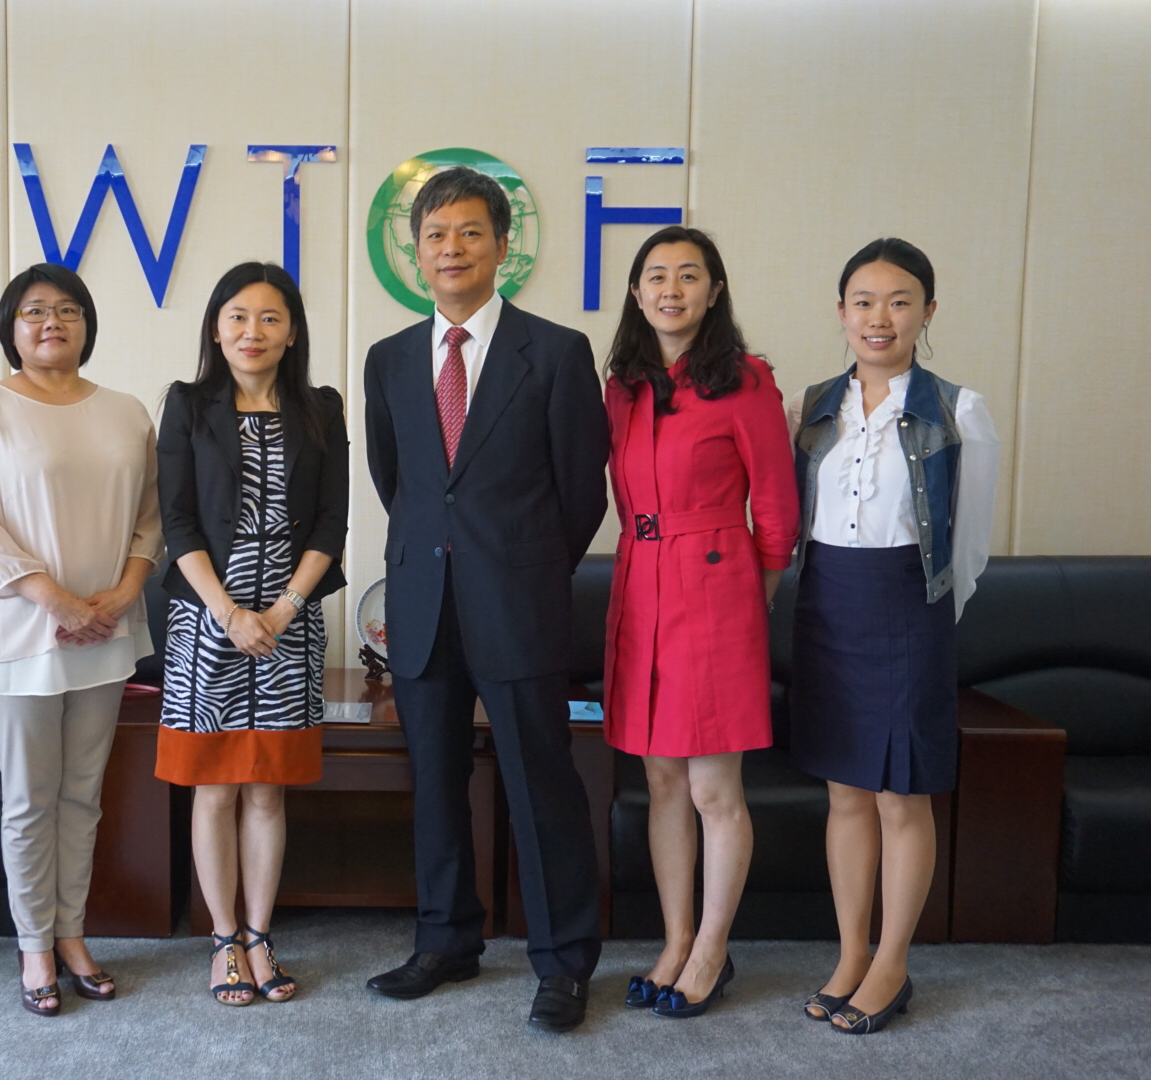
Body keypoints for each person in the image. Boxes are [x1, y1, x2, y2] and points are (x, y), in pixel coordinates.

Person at [362, 166, 609, 1033]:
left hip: (520, 603)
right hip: (423, 605)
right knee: (434, 782)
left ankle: (563, 960)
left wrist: (525, 567)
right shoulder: (390, 359)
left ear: (503, 246)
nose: (452, 248)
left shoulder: (558, 352)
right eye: (435, 235)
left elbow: (582, 492)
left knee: (542, 784)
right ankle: (446, 940)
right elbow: (399, 482)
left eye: (470, 232)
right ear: (416, 253)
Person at [0, 263, 163, 1016]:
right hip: (20, 636)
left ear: (87, 326)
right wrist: (59, 602)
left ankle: (72, 934)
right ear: (11, 327)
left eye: (68, 310)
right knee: (30, 800)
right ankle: (34, 942)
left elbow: (152, 518)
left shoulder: (127, 412)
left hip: (105, 631)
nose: (51, 322)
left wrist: (125, 593)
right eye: (34, 310)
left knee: (82, 796)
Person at [789, 238, 998, 1034]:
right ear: (842, 312)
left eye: (900, 301)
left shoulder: (958, 409)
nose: (880, 317)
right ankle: (851, 954)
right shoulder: (812, 406)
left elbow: (968, 547)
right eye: (864, 302)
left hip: (911, 607)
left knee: (901, 793)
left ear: (928, 312)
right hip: (827, 605)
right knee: (845, 791)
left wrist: (929, 616)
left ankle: (892, 963)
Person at [600, 226, 800, 1019]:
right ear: (637, 291)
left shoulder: (745, 380)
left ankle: (713, 949)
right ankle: (676, 939)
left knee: (714, 787)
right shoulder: (623, 385)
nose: (671, 289)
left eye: (689, 275)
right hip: (640, 584)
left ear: (714, 291)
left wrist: (753, 596)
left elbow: (777, 510)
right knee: (660, 781)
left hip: (717, 590)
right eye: (656, 275)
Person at [155, 261, 347, 1006]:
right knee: (214, 790)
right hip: (209, 622)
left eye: (270, 317)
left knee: (267, 790)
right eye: (237, 316)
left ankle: (262, 936)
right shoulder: (187, 405)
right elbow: (177, 521)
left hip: (289, 625)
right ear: (216, 327)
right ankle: (223, 939)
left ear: (292, 332)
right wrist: (229, 613)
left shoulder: (321, 409)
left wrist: (283, 609)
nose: (252, 331)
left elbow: (330, 523)